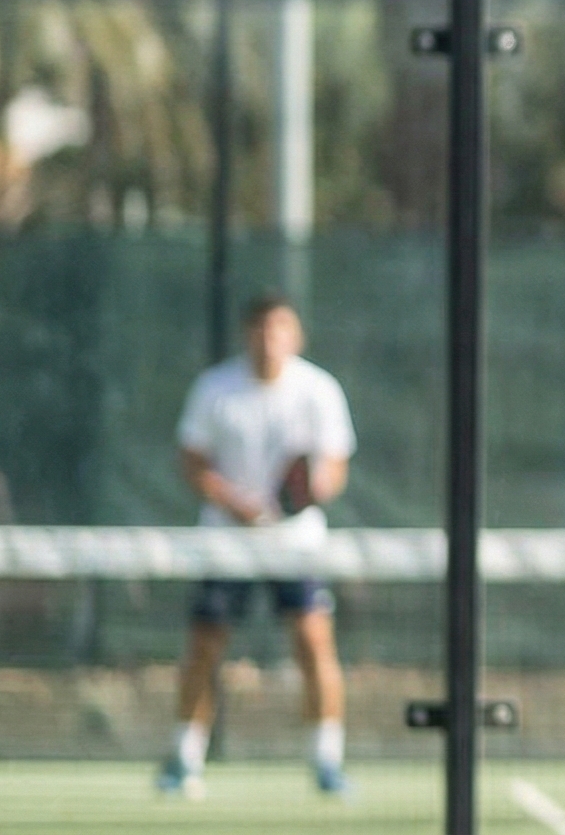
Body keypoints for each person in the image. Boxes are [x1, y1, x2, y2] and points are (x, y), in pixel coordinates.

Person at [155, 294, 357, 799]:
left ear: (296, 336)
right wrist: (236, 503)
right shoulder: (215, 389)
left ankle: (328, 762)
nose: (269, 339)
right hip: (226, 541)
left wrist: (307, 492)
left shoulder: (318, 390)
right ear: (247, 335)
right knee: (205, 645)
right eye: (260, 329)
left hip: (297, 542)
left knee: (314, 642)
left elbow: (333, 466)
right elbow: (192, 460)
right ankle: (183, 758)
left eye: (279, 328)